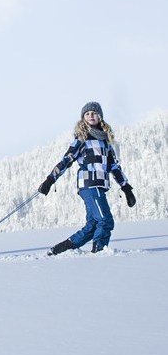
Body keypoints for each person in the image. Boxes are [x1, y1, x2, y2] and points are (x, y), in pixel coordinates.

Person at [38, 102, 136, 255]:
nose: (91, 115)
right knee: (105, 220)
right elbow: (66, 160)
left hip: (99, 186)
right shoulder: (81, 140)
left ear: (100, 117)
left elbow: (113, 166)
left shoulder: (105, 142)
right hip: (89, 185)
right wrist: (50, 180)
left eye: (94, 113)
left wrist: (126, 188)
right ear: (83, 118)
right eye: (87, 113)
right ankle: (100, 252)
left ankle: (59, 250)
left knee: (92, 226)